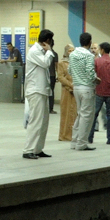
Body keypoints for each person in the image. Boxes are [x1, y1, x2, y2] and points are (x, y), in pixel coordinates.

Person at [23, 29, 55, 159]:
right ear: (47, 41)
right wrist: (50, 51)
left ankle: (38, 149)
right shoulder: (34, 51)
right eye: (51, 40)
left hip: (43, 90)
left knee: (43, 122)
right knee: (35, 121)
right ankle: (28, 150)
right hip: (35, 90)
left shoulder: (42, 51)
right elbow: (45, 63)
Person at [69, 33, 99, 151]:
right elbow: (90, 72)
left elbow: (70, 70)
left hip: (76, 87)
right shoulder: (89, 56)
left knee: (80, 114)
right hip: (87, 88)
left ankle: (74, 141)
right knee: (86, 116)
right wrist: (96, 80)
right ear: (90, 42)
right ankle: (81, 143)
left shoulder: (73, 54)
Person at [90, 42, 110, 145]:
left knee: (94, 115)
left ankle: (89, 137)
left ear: (102, 50)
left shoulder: (96, 61)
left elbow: (93, 74)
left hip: (99, 91)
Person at [56, 44, 78, 143]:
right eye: (69, 51)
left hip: (75, 91)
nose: (71, 53)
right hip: (66, 90)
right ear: (66, 52)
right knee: (66, 112)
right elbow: (60, 77)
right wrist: (70, 85)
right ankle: (64, 135)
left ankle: (73, 134)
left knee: (74, 113)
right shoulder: (62, 63)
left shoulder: (76, 62)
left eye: (73, 50)